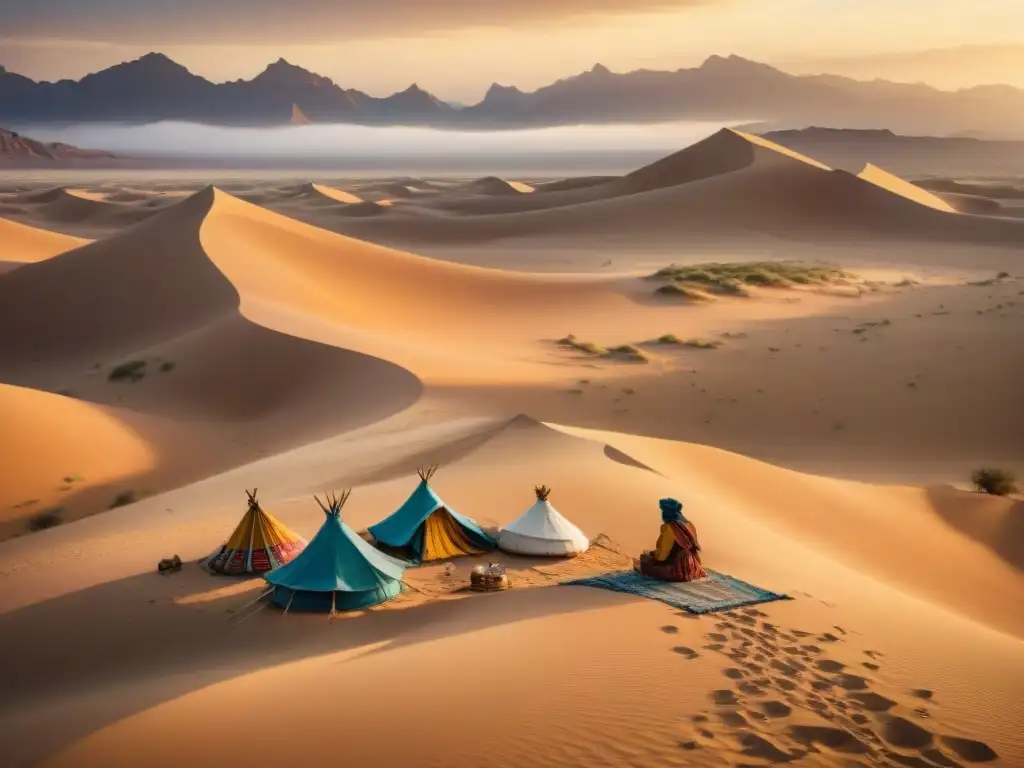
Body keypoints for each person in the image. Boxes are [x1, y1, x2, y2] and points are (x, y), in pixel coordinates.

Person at [635, 498, 706, 582]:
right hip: (693, 566)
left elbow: (662, 556)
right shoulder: (690, 525)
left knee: (644, 559)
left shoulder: (669, 527)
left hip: (677, 568)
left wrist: (652, 556)